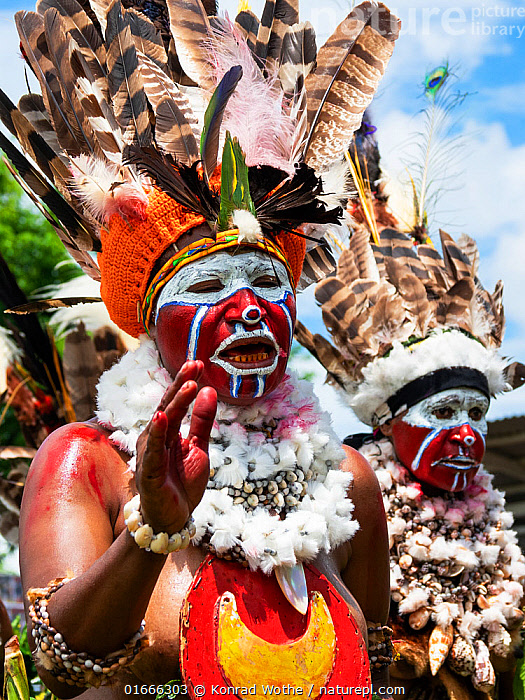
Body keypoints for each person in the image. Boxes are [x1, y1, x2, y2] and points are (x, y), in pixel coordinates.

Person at [0, 0, 402, 696]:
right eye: (210, 283)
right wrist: (149, 533)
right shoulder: (88, 460)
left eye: (269, 281)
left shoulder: (348, 480)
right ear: (151, 316)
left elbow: (377, 669)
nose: (248, 308)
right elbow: (58, 665)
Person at [296, 222, 525, 699]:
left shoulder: (493, 526)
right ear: (385, 423)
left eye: (477, 413)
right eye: (442, 412)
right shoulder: (341, 512)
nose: (466, 435)